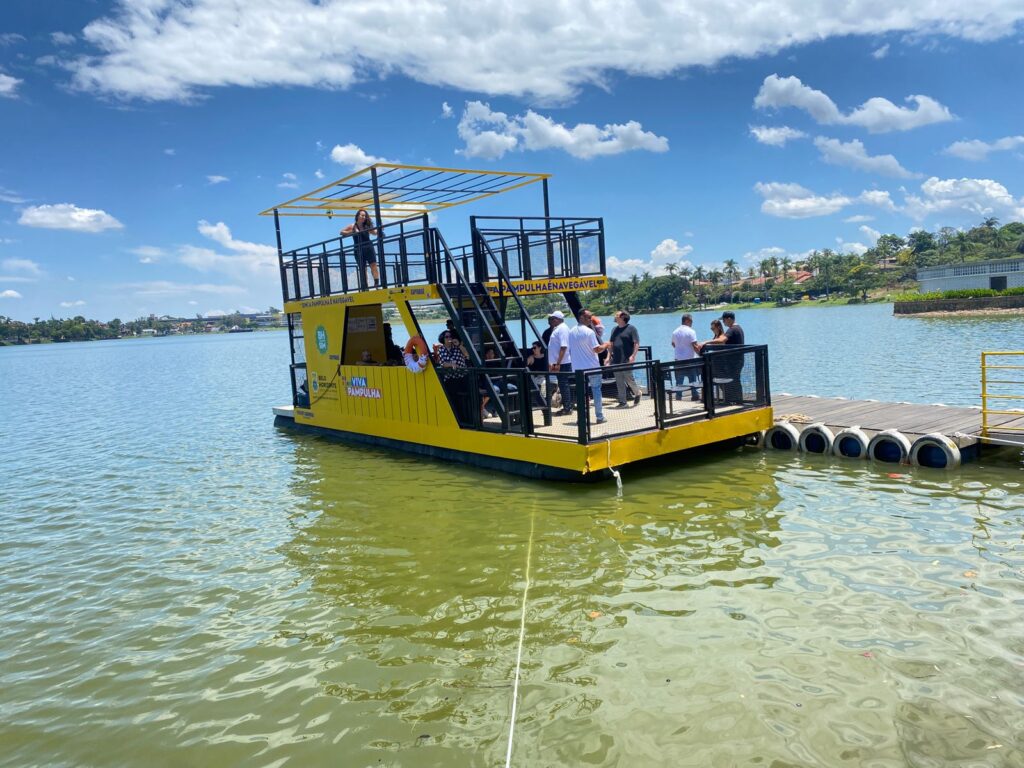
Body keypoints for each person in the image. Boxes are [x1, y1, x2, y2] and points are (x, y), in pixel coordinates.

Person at [567, 310, 608, 424]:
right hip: (592, 368)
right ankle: (599, 417)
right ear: (581, 317)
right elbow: (597, 349)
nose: (590, 319)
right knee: (596, 391)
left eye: (591, 317)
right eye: (588, 317)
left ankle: (582, 418)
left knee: (581, 393)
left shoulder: (571, 331)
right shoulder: (589, 332)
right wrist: (606, 345)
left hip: (578, 369)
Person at [609, 310, 642, 407]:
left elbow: (636, 343)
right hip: (616, 359)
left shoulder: (631, 329)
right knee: (619, 381)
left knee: (629, 379)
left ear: (623, 317)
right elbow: (611, 344)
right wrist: (608, 357)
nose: (615, 316)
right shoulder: (614, 329)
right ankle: (623, 402)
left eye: (617, 315)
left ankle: (637, 393)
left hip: (627, 359)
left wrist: (633, 356)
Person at [341, 208, 380, 290]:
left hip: (368, 248)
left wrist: (379, 230)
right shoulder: (352, 226)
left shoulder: (367, 226)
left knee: (373, 265)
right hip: (358, 250)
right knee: (363, 269)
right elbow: (341, 232)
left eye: (365, 216)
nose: (363, 217)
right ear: (358, 216)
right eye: (362, 215)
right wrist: (352, 231)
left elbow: (374, 233)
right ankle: (365, 287)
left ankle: (376, 284)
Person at [546, 310, 573, 415]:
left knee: (563, 384)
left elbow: (564, 346)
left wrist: (558, 363)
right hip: (559, 362)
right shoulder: (558, 328)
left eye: (552, 319)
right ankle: (567, 406)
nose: (551, 321)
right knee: (562, 384)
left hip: (563, 363)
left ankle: (567, 408)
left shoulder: (563, 329)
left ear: (557, 319)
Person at [670, 313, 701, 401]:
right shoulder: (691, 331)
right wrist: (701, 355)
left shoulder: (675, 331)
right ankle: (695, 396)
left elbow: (673, 344)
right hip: (690, 360)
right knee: (693, 380)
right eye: (691, 321)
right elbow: (695, 346)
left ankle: (678, 398)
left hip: (678, 360)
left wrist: (680, 349)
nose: (692, 323)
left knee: (679, 381)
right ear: (687, 321)